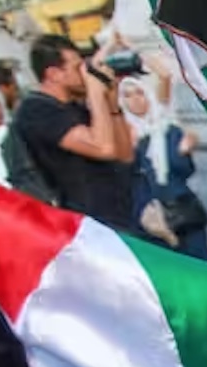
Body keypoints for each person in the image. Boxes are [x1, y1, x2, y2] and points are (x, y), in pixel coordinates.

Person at [11, 34, 137, 229]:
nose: (84, 73)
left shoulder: (76, 107)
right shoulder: (36, 110)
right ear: (53, 74)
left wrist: (112, 104)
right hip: (82, 225)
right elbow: (103, 148)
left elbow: (125, 155)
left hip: (118, 215)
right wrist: (95, 92)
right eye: (78, 67)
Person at [118, 77, 207, 262]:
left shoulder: (168, 130)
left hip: (180, 213)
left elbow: (183, 171)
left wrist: (183, 150)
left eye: (140, 92)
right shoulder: (121, 137)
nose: (135, 100)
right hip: (145, 220)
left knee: (202, 269)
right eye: (127, 95)